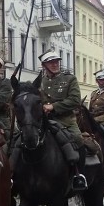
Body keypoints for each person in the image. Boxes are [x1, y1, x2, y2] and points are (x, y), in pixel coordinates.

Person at [38, 51, 87, 191]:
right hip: (44, 121)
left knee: (78, 139)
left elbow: (75, 100)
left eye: (56, 61)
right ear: (44, 65)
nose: (55, 64)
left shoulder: (69, 79)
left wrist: (53, 106)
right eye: (51, 62)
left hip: (65, 120)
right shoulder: (40, 81)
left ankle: (79, 175)